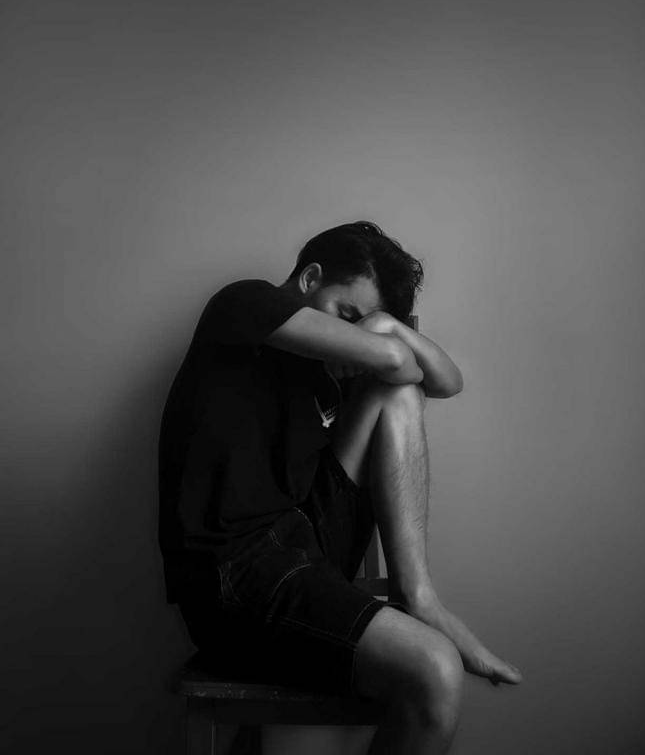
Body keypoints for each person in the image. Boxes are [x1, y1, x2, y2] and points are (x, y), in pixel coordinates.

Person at [158, 220, 522, 754]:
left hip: (302, 544)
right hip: (232, 573)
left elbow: (447, 381)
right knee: (436, 669)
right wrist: (383, 337)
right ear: (310, 279)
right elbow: (396, 361)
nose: (356, 336)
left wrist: (388, 326)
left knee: (399, 396)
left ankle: (418, 595)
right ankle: (420, 615)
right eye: (348, 315)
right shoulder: (242, 304)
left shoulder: (327, 371)